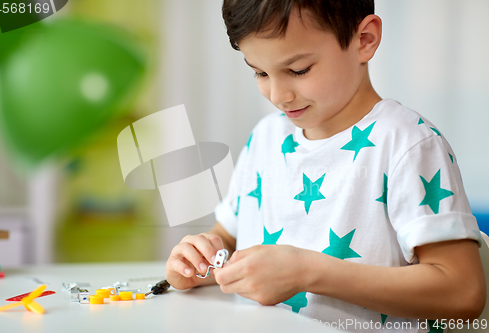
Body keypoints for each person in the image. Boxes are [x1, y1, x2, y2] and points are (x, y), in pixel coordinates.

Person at [165, 0, 486, 331]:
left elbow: (463, 293)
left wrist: (308, 272)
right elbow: (227, 240)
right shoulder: (265, 138)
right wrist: (196, 263)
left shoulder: (408, 144)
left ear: (364, 39)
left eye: (299, 70)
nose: (278, 95)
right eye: (260, 72)